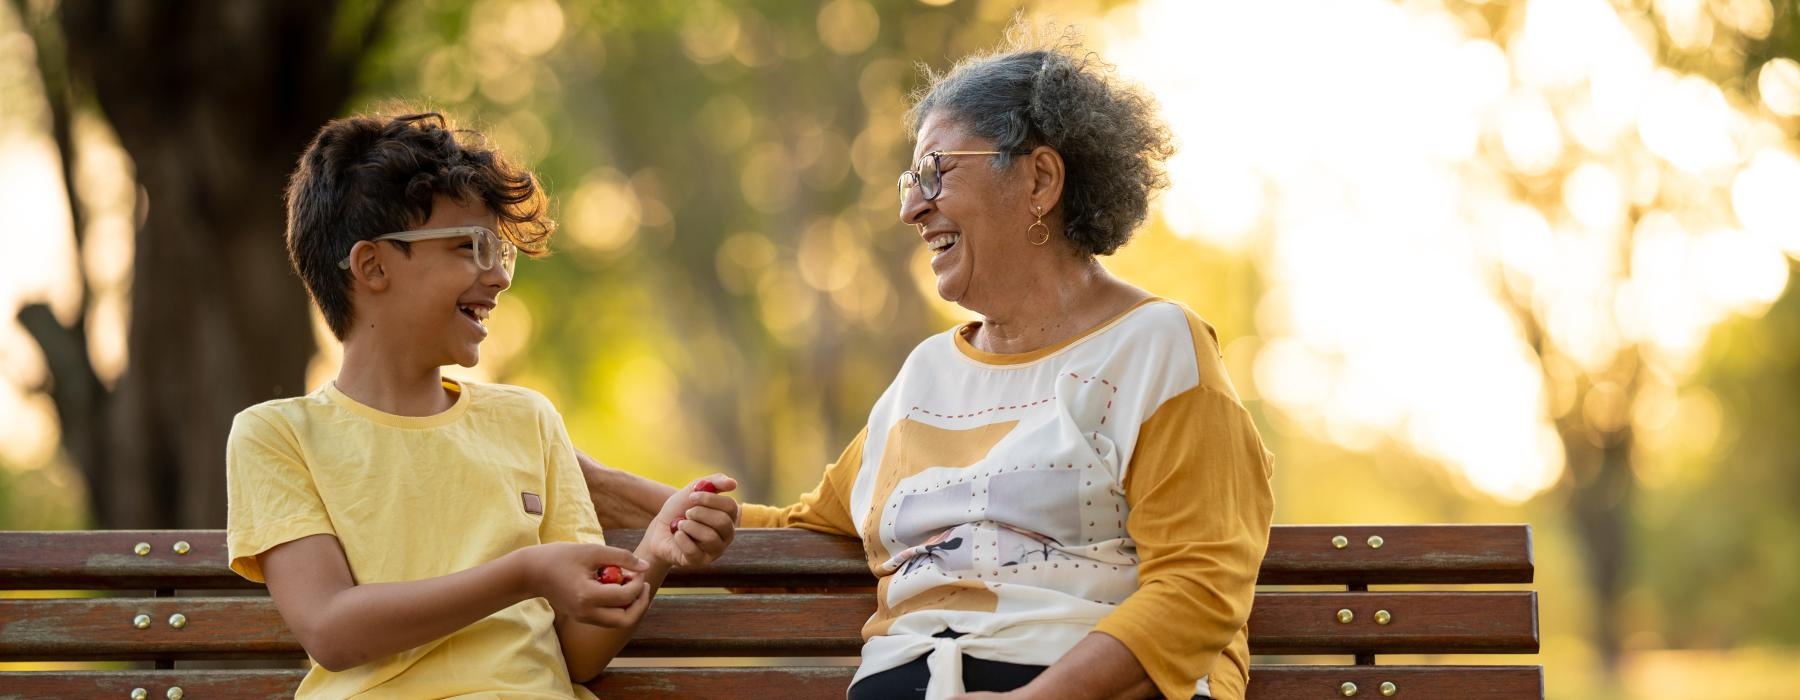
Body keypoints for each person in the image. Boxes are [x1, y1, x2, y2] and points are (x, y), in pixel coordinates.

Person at [584, 27, 1274, 700]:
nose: (913, 207)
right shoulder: (925, 377)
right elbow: (800, 540)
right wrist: (574, 473)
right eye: (908, 182)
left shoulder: (1157, 347)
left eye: (934, 173)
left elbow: (1198, 588)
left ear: (1039, 178)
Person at [224, 111, 739, 698]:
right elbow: (332, 629)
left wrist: (655, 551)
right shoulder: (277, 436)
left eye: (501, 252)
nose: (498, 277)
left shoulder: (527, 420)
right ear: (373, 266)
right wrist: (522, 574)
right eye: (473, 247)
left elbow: (576, 656)